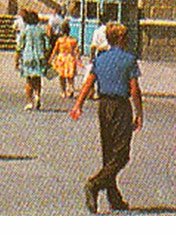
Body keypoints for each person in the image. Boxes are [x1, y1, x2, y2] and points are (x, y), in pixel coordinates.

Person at [71, 22, 142, 213]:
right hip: (120, 107)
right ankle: (94, 184)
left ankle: (114, 197)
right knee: (121, 156)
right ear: (120, 39)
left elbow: (88, 83)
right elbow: (134, 89)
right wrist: (139, 114)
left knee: (108, 153)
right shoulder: (129, 59)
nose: (128, 40)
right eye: (126, 37)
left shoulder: (100, 58)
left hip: (103, 106)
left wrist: (78, 105)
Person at [16, 9, 50, 111]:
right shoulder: (41, 31)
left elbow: (19, 47)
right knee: (38, 79)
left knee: (29, 81)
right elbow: (47, 46)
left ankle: (29, 102)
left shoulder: (25, 31)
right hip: (39, 58)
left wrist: (16, 60)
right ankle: (37, 96)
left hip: (27, 58)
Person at [51, 29, 82, 99]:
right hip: (70, 57)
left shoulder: (60, 40)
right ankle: (70, 89)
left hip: (61, 58)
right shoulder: (73, 40)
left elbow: (55, 50)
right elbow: (77, 51)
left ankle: (63, 92)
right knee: (70, 76)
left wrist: (50, 59)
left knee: (62, 76)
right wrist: (79, 60)